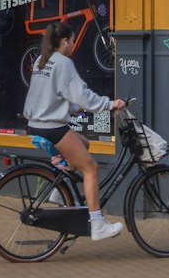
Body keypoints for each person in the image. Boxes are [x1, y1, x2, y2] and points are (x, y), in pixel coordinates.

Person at [23, 20, 128, 242]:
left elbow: (48, 95)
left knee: (84, 144)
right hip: (53, 127)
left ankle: (59, 193)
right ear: (64, 41)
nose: (72, 44)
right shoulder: (64, 63)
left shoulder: (41, 60)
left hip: (35, 124)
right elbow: (84, 96)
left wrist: (71, 107)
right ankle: (98, 224)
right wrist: (110, 104)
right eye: (71, 40)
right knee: (90, 168)